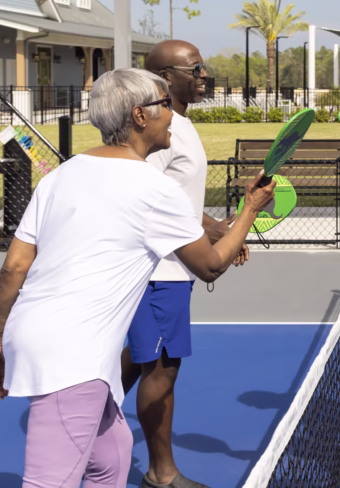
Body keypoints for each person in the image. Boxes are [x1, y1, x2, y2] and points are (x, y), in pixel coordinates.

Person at [0, 68, 275, 488]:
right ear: (141, 115)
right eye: (164, 105)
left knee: (111, 457)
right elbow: (210, 265)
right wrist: (249, 210)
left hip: (42, 336)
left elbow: (13, 268)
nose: (172, 114)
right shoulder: (156, 189)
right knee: (50, 481)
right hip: (72, 356)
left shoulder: (60, 176)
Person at [119, 40, 244, 488]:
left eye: (203, 66)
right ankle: (161, 474)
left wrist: (216, 232)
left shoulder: (180, 125)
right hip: (158, 272)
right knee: (162, 369)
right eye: (195, 68)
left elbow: (177, 204)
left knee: (138, 359)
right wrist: (213, 242)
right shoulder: (159, 132)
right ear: (166, 79)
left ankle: (87, 420)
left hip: (173, 267)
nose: (205, 73)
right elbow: (145, 201)